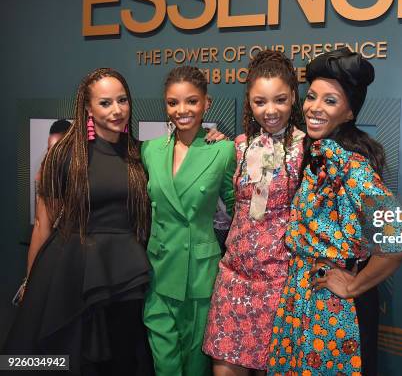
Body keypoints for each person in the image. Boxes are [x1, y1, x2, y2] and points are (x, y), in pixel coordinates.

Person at [267, 48, 402, 376]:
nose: (314, 108)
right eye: (312, 97)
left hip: (333, 309)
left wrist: (353, 285)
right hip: (301, 297)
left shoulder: (348, 163)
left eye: (330, 101)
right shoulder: (317, 153)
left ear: (349, 113)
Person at [4, 68, 153, 375]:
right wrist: (30, 282)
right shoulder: (64, 154)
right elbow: (43, 225)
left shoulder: (140, 154)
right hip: (69, 272)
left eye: (122, 100)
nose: (117, 110)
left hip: (124, 277)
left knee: (122, 361)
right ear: (88, 108)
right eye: (105, 103)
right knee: (64, 362)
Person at [203, 50, 305, 375]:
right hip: (233, 279)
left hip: (280, 284)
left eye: (280, 100)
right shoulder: (239, 145)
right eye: (260, 101)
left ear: (293, 99)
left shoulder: (308, 150)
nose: (270, 110)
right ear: (249, 101)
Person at [142, 65, 236, 376]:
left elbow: (238, 206)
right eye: (173, 102)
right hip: (160, 268)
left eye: (192, 101)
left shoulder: (222, 150)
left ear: (207, 103)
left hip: (201, 273)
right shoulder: (150, 150)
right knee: (165, 363)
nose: (182, 110)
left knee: (196, 364)